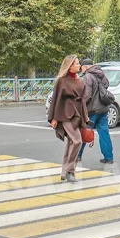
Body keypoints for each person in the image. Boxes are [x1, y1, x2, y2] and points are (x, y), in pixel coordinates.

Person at [48, 54, 90, 183]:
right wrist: (53, 117)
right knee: (77, 141)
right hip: (65, 114)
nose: (79, 65)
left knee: (71, 143)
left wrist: (85, 116)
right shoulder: (62, 80)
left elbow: (83, 99)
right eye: (76, 63)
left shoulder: (79, 79)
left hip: (77, 113)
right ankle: (70, 171)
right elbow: (56, 99)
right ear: (70, 65)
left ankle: (64, 172)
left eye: (78, 63)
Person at [77, 58, 114, 164]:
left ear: (85, 67)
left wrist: (81, 105)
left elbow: (87, 95)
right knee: (104, 133)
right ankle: (109, 157)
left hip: (92, 110)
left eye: (81, 67)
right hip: (103, 108)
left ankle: (78, 155)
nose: (81, 69)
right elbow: (106, 85)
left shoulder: (87, 77)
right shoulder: (101, 74)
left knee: (85, 131)